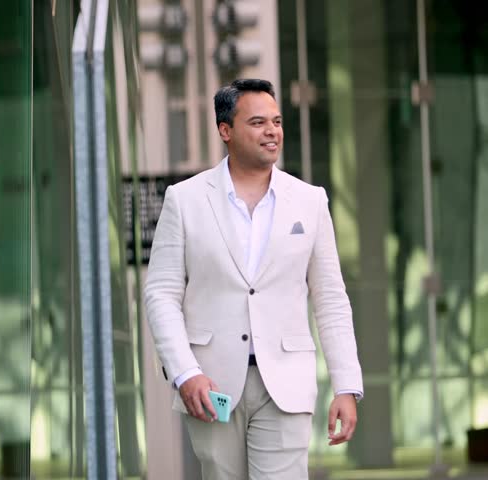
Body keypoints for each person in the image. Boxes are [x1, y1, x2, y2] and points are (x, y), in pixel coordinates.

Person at [144, 79, 363, 479]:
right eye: (258, 122)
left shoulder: (310, 201)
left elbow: (331, 298)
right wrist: (184, 371)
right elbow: (161, 294)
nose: (272, 131)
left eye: (277, 121)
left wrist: (346, 385)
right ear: (225, 130)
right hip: (211, 385)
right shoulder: (185, 199)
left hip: (286, 381)